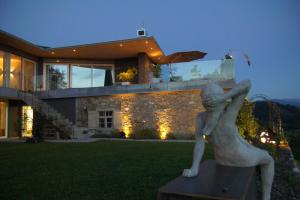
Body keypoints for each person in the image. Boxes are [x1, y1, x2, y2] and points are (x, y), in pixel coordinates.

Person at [182, 80, 274, 200]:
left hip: (220, 159)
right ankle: (266, 197)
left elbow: (200, 144)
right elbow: (247, 84)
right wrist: (224, 97)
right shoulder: (228, 114)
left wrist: (195, 168)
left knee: (243, 142)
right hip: (242, 159)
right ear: (219, 100)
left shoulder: (201, 117)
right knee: (269, 159)